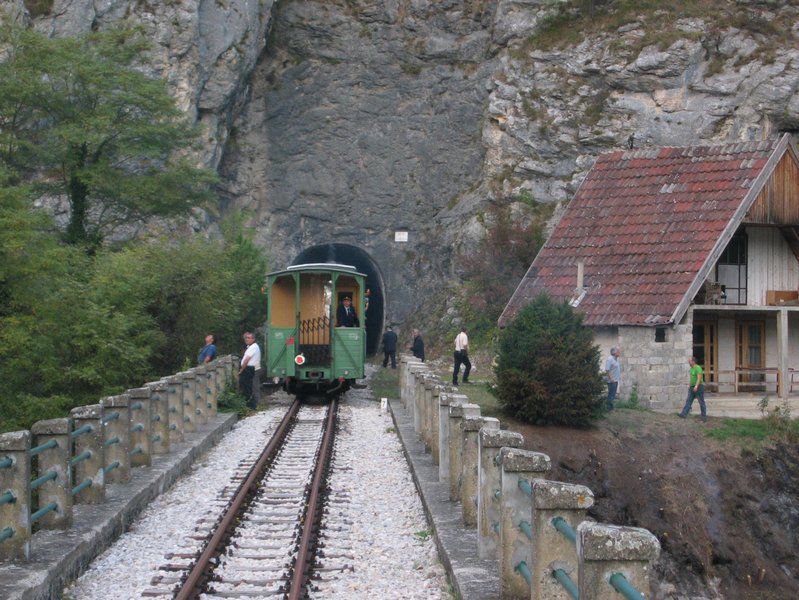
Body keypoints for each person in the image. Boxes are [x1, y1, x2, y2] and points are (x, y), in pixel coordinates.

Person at [679, 356, 707, 422]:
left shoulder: (698, 368)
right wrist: (689, 385)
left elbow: (699, 378)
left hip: (698, 387)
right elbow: (692, 379)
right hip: (692, 387)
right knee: (688, 400)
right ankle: (683, 414)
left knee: (701, 402)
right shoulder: (691, 369)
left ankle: (704, 417)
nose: (689, 362)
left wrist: (696, 386)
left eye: (690, 361)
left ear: (693, 361)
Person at [239, 332, 262, 410]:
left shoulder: (253, 347)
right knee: (251, 386)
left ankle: (256, 404)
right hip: (251, 368)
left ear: (253, 339)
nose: (247, 339)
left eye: (249, 338)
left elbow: (246, 359)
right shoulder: (250, 347)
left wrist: (241, 370)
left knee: (254, 386)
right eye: (246, 338)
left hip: (252, 369)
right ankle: (253, 404)